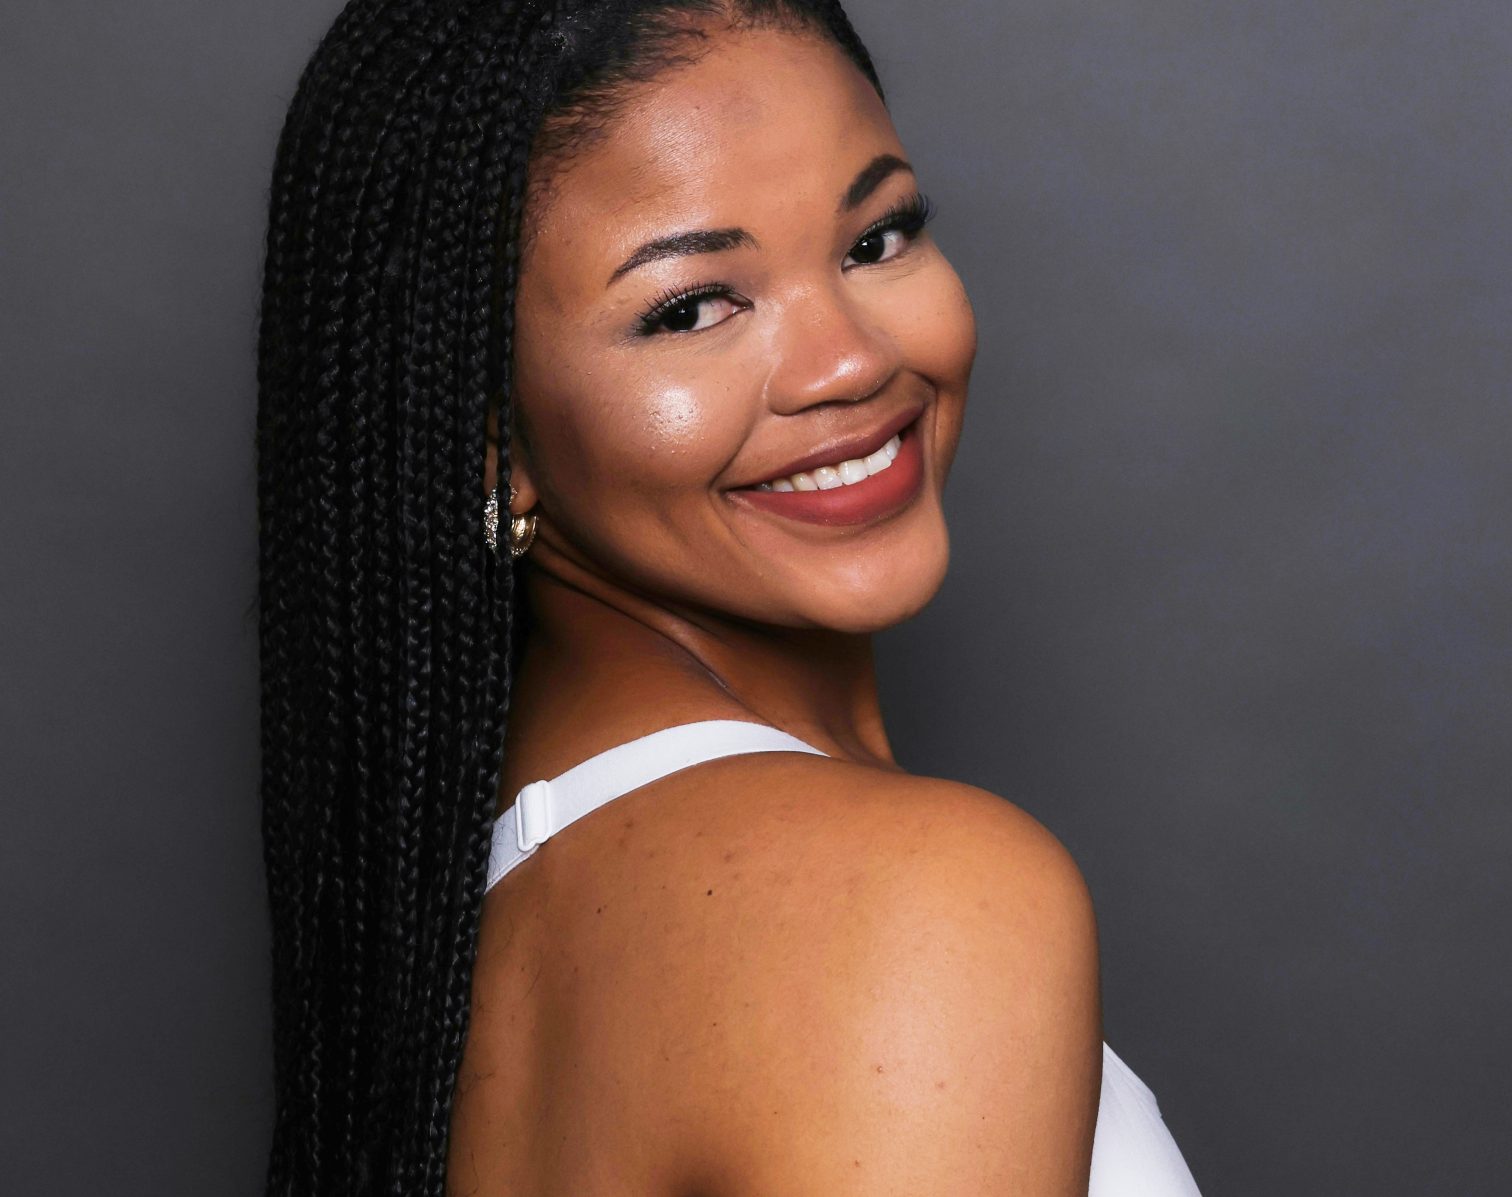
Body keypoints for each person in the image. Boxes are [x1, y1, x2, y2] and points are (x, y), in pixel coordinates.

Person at [256, 2, 1202, 1193]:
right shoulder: (908, 902)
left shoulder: (476, 925)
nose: (851, 360)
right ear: (492, 442)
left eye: (876, 239)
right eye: (693, 307)